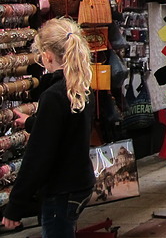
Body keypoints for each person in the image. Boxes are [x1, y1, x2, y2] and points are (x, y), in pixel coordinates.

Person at [3, 18, 95, 237]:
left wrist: (15, 205)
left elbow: (38, 155)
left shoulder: (53, 96)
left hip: (61, 189)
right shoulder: (77, 85)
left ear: (47, 56)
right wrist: (32, 122)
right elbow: (65, 127)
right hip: (78, 183)